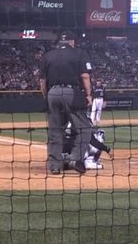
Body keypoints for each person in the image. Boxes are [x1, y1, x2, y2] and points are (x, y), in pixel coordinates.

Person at [40, 34, 94, 175]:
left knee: (55, 131)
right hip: (71, 92)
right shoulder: (79, 53)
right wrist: (88, 95)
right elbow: (85, 76)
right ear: (72, 41)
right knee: (84, 128)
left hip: (52, 93)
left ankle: (55, 166)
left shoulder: (48, 55)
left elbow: (42, 83)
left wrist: (48, 97)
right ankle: (75, 159)